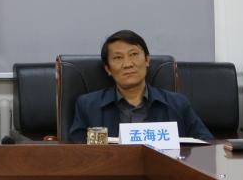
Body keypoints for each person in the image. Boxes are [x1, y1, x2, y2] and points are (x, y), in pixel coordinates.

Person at [68, 30, 213, 143]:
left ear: (147, 60)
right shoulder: (88, 106)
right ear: (108, 69)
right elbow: (78, 152)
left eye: (134, 54)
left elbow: (206, 145)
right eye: (118, 57)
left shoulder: (178, 104)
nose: (128, 64)